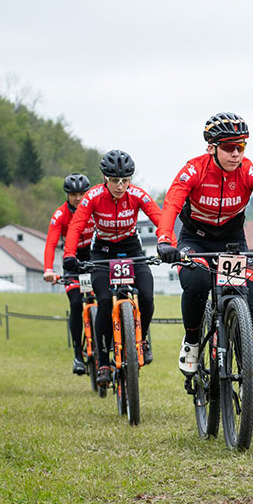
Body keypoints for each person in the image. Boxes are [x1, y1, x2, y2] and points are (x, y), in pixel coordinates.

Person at [155, 112, 253, 380]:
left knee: (246, 294)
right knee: (198, 282)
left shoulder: (250, 172)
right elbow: (172, 203)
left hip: (232, 240)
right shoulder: (194, 169)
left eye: (241, 146)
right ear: (211, 147)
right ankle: (191, 342)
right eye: (228, 147)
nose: (236, 153)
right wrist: (165, 240)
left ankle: (247, 372)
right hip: (196, 239)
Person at [63, 150, 162, 388]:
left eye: (125, 180)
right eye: (115, 180)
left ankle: (143, 339)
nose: (120, 186)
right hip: (103, 252)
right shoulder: (92, 197)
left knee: (147, 295)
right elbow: (76, 226)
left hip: (132, 249)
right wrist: (69, 254)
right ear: (104, 178)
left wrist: (170, 243)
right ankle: (104, 362)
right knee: (105, 300)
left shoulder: (138, 195)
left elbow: (159, 217)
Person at [43, 173, 96, 375]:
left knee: (104, 297)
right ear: (67, 195)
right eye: (73, 194)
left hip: (93, 256)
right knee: (75, 303)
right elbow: (51, 242)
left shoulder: (94, 208)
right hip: (71, 260)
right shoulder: (60, 215)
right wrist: (49, 269)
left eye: (82, 193)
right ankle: (78, 354)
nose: (78, 198)